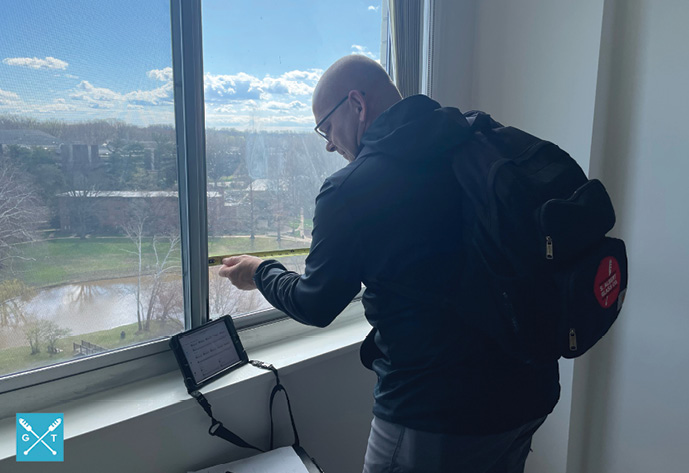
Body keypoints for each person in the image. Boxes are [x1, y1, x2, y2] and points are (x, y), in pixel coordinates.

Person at [219, 55, 560, 473]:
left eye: (326, 127)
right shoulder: (479, 138)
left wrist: (259, 272)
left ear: (357, 104)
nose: (328, 143)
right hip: (530, 391)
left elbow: (316, 303)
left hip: (434, 413)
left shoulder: (351, 188)